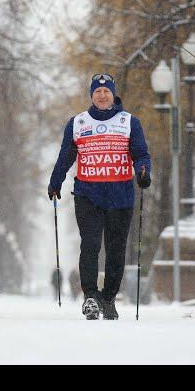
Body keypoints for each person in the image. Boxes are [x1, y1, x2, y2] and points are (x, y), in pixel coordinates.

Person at [48, 73, 151, 320]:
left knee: (116, 250)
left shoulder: (129, 122)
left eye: (106, 91)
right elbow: (65, 156)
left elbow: (141, 154)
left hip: (120, 195)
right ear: (91, 95)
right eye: (97, 92)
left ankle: (108, 297)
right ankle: (91, 296)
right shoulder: (78, 123)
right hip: (88, 194)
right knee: (91, 245)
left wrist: (143, 171)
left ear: (113, 94)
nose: (102, 95)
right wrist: (55, 181)